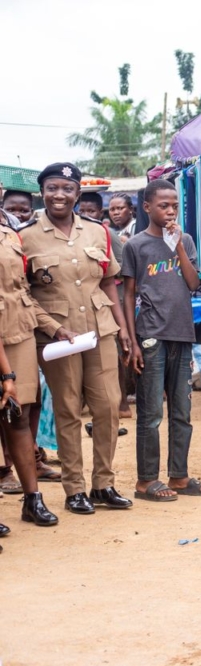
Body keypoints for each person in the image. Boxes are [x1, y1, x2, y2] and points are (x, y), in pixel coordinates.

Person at [20, 163, 134, 515]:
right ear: (42, 192)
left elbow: (108, 282)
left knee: (108, 407)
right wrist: (52, 328)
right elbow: (24, 293)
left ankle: (103, 484)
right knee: (68, 408)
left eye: (67, 189)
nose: (59, 195)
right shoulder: (25, 236)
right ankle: (75, 489)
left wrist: (123, 329)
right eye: (52, 188)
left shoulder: (97, 232)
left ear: (77, 193)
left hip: (100, 330)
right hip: (57, 336)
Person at [122, 179, 201, 501]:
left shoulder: (184, 240)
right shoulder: (136, 245)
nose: (170, 211)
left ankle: (179, 476)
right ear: (147, 207)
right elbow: (128, 294)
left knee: (182, 411)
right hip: (150, 335)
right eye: (163, 205)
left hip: (182, 333)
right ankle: (146, 480)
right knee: (150, 413)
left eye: (174, 205)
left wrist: (178, 247)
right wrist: (132, 341)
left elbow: (192, 284)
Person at [0, 201, 59, 529]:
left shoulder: (10, 234)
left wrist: (55, 328)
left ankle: (32, 499)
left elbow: (22, 291)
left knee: (18, 416)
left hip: (18, 331)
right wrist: (6, 374)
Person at [80, 191, 133, 421]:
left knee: (115, 352)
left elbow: (120, 268)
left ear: (99, 212)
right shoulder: (79, 232)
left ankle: (122, 402)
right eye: (82, 211)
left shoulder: (106, 233)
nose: (86, 214)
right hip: (87, 301)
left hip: (112, 298)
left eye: (91, 211)